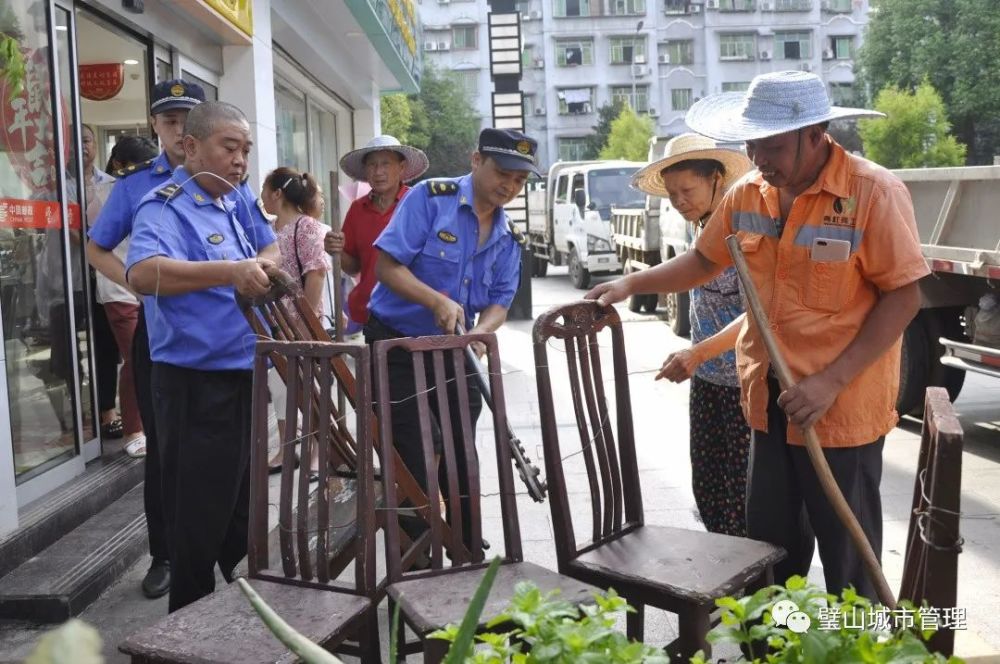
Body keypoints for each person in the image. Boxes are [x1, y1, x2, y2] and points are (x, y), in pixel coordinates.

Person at [587, 71, 929, 600]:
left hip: (840, 413)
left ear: (815, 135)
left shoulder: (872, 193)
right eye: (751, 142)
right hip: (769, 407)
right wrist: (631, 281)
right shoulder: (750, 193)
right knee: (770, 559)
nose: (758, 156)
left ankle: (853, 653)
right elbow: (704, 259)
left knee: (850, 566)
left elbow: (905, 296)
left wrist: (831, 381)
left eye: (771, 144)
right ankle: (774, 651)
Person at [87, 80, 275, 601]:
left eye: (245, 151)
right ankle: (186, 623)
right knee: (196, 510)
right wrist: (228, 272)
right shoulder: (161, 204)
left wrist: (257, 269)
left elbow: (270, 249)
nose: (240, 161)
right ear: (188, 146)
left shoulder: (231, 199)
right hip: (195, 380)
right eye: (229, 148)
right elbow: (144, 273)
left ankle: (235, 605)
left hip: (239, 370)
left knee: (238, 502)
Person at [365, 128, 538, 545]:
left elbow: (500, 300)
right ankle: (417, 547)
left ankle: (464, 538)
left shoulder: (508, 235)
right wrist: (434, 301)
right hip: (398, 345)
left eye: (519, 181)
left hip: (456, 349)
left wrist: (480, 332)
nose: (509, 186)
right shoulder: (430, 198)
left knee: (462, 450)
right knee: (416, 450)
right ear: (476, 160)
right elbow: (387, 267)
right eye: (503, 173)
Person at [631, 133, 753, 537]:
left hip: (745, 387)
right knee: (708, 489)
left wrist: (699, 352)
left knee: (742, 499)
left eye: (688, 190)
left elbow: (761, 314)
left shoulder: (744, 230)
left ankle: (751, 592)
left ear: (717, 178)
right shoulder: (699, 227)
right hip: (707, 382)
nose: (680, 201)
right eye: (672, 194)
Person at [85, 135, 159, 458]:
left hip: (149, 288)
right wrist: (129, 282)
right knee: (135, 357)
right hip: (119, 289)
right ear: (118, 165)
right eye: (137, 165)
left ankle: (149, 422)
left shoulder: (150, 189)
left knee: (146, 355)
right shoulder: (103, 197)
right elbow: (97, 247)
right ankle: (133, 429)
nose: (145, 171)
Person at [259, 167, 329, 477]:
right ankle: (288, 448)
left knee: (307, 388)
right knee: (281, 386)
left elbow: (316, 272)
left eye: (264, 189)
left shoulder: (307, 226)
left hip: (301, 323)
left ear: (276, 193)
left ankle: (315, 451)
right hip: (276, 322)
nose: (261, 196)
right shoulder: (268, 229)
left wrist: (305, 321)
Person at [323, 135, 429, 329]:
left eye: (386, 164)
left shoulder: (419, 203)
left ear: (402, 167)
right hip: (372, 313)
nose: (378, 171)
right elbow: (353, 267)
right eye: (372, 165)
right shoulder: (357, 209)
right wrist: (336, 250)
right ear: (365, 170)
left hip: (413, 311)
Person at [82, 124, 123, 441]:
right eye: (75, 142)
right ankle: (80, 412)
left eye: (86, 140)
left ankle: (108, 411)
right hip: (68, 282)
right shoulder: (53, 185)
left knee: (106, 349)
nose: (82, 147)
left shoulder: (111, 185)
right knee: (65, 356)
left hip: (105, 281)